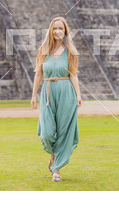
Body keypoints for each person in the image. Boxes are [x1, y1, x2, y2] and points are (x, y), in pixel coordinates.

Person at [30, 17, 82, 182]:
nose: (58, 31)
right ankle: (53, 156)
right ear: (50, 31)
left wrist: (78, 95)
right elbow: (39, 74)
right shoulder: (43, 51)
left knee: (64, 132)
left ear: (65, 31)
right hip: (47, 93)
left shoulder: (70, 52)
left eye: (61, 28)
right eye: (55, 29)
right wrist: (33, 95)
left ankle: (56, 169)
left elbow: (73, 74)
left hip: (66, 92)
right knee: (47, 132)